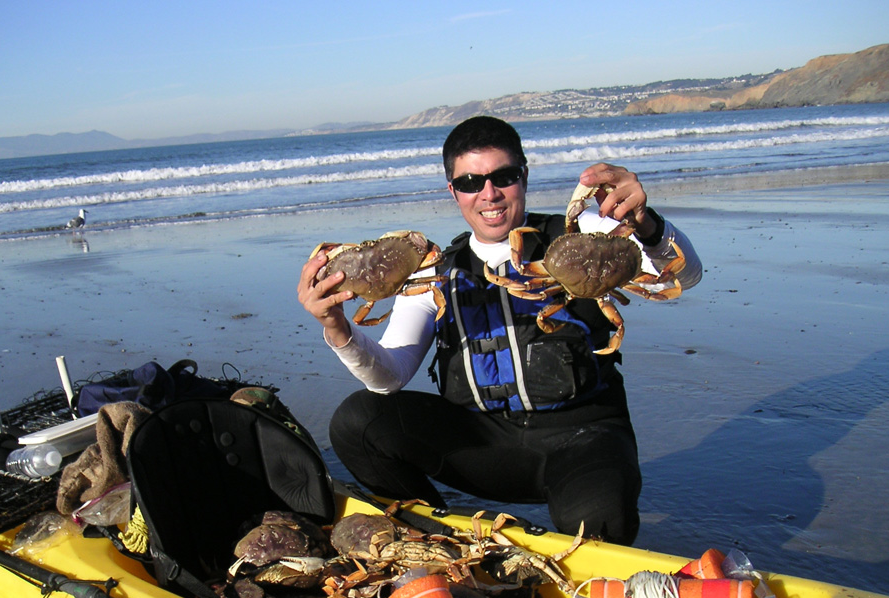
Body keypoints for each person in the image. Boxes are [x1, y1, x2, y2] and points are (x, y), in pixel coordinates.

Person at [297, 116, 702, 545]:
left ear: (523, 176)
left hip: (584, 439)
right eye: (471, 181)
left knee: (601, 531)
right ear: (453, 191)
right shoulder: (436, 270)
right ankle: (433, 538)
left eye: (503, 177)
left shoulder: (585, 238)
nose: (489, 194)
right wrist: (337, 327)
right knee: (357, 421)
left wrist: (649, 224)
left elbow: (685, 274)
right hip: (484, 445)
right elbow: (390, 375)